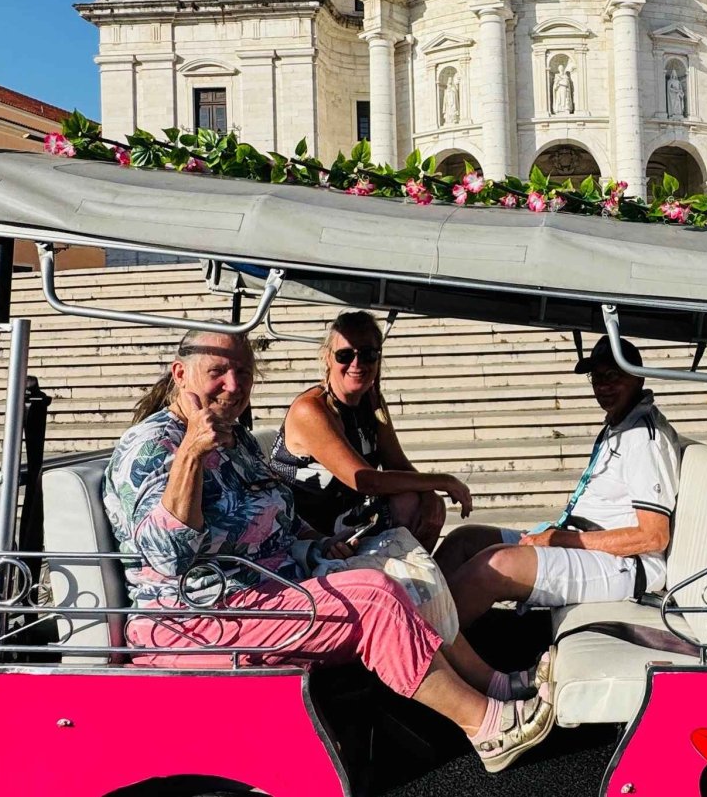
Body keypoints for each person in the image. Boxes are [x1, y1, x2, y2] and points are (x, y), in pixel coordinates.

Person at [103, 330, 554, 773]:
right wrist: (190, 456)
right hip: (202, 620)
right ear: (181, 374)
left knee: (398, 565)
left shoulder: (234, 437)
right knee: (373, 596)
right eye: (218, 371)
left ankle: (490, 683)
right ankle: (486, 725)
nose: (234, 385)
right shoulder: (152, 447)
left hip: (266, 590)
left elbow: (274, 512)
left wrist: (318, 543)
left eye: (243, 372)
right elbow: (167, 555)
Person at [435, 337, 682, 630]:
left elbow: (653, 537)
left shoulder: (643, 438)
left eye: (613, 376)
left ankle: (423, 652)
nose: (603, 386)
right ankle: (439, 633)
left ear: (637, 377)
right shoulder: (620, 425)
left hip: (627, 564)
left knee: (495, 564)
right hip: (583, 542)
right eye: (597, 377)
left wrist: (560, 539)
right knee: (462, 542)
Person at [273, 310, 464, 552]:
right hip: (302, 527)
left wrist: (430, 494)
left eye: (368, 355)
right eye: (345, 355)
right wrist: (444, 481)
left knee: (425, 505)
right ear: (328, 358)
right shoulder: (310, 409)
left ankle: (410, 582)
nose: (357, 364)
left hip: (347, 514)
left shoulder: (371, 401)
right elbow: (364, 480)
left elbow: (397, 464)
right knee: (411, 502)